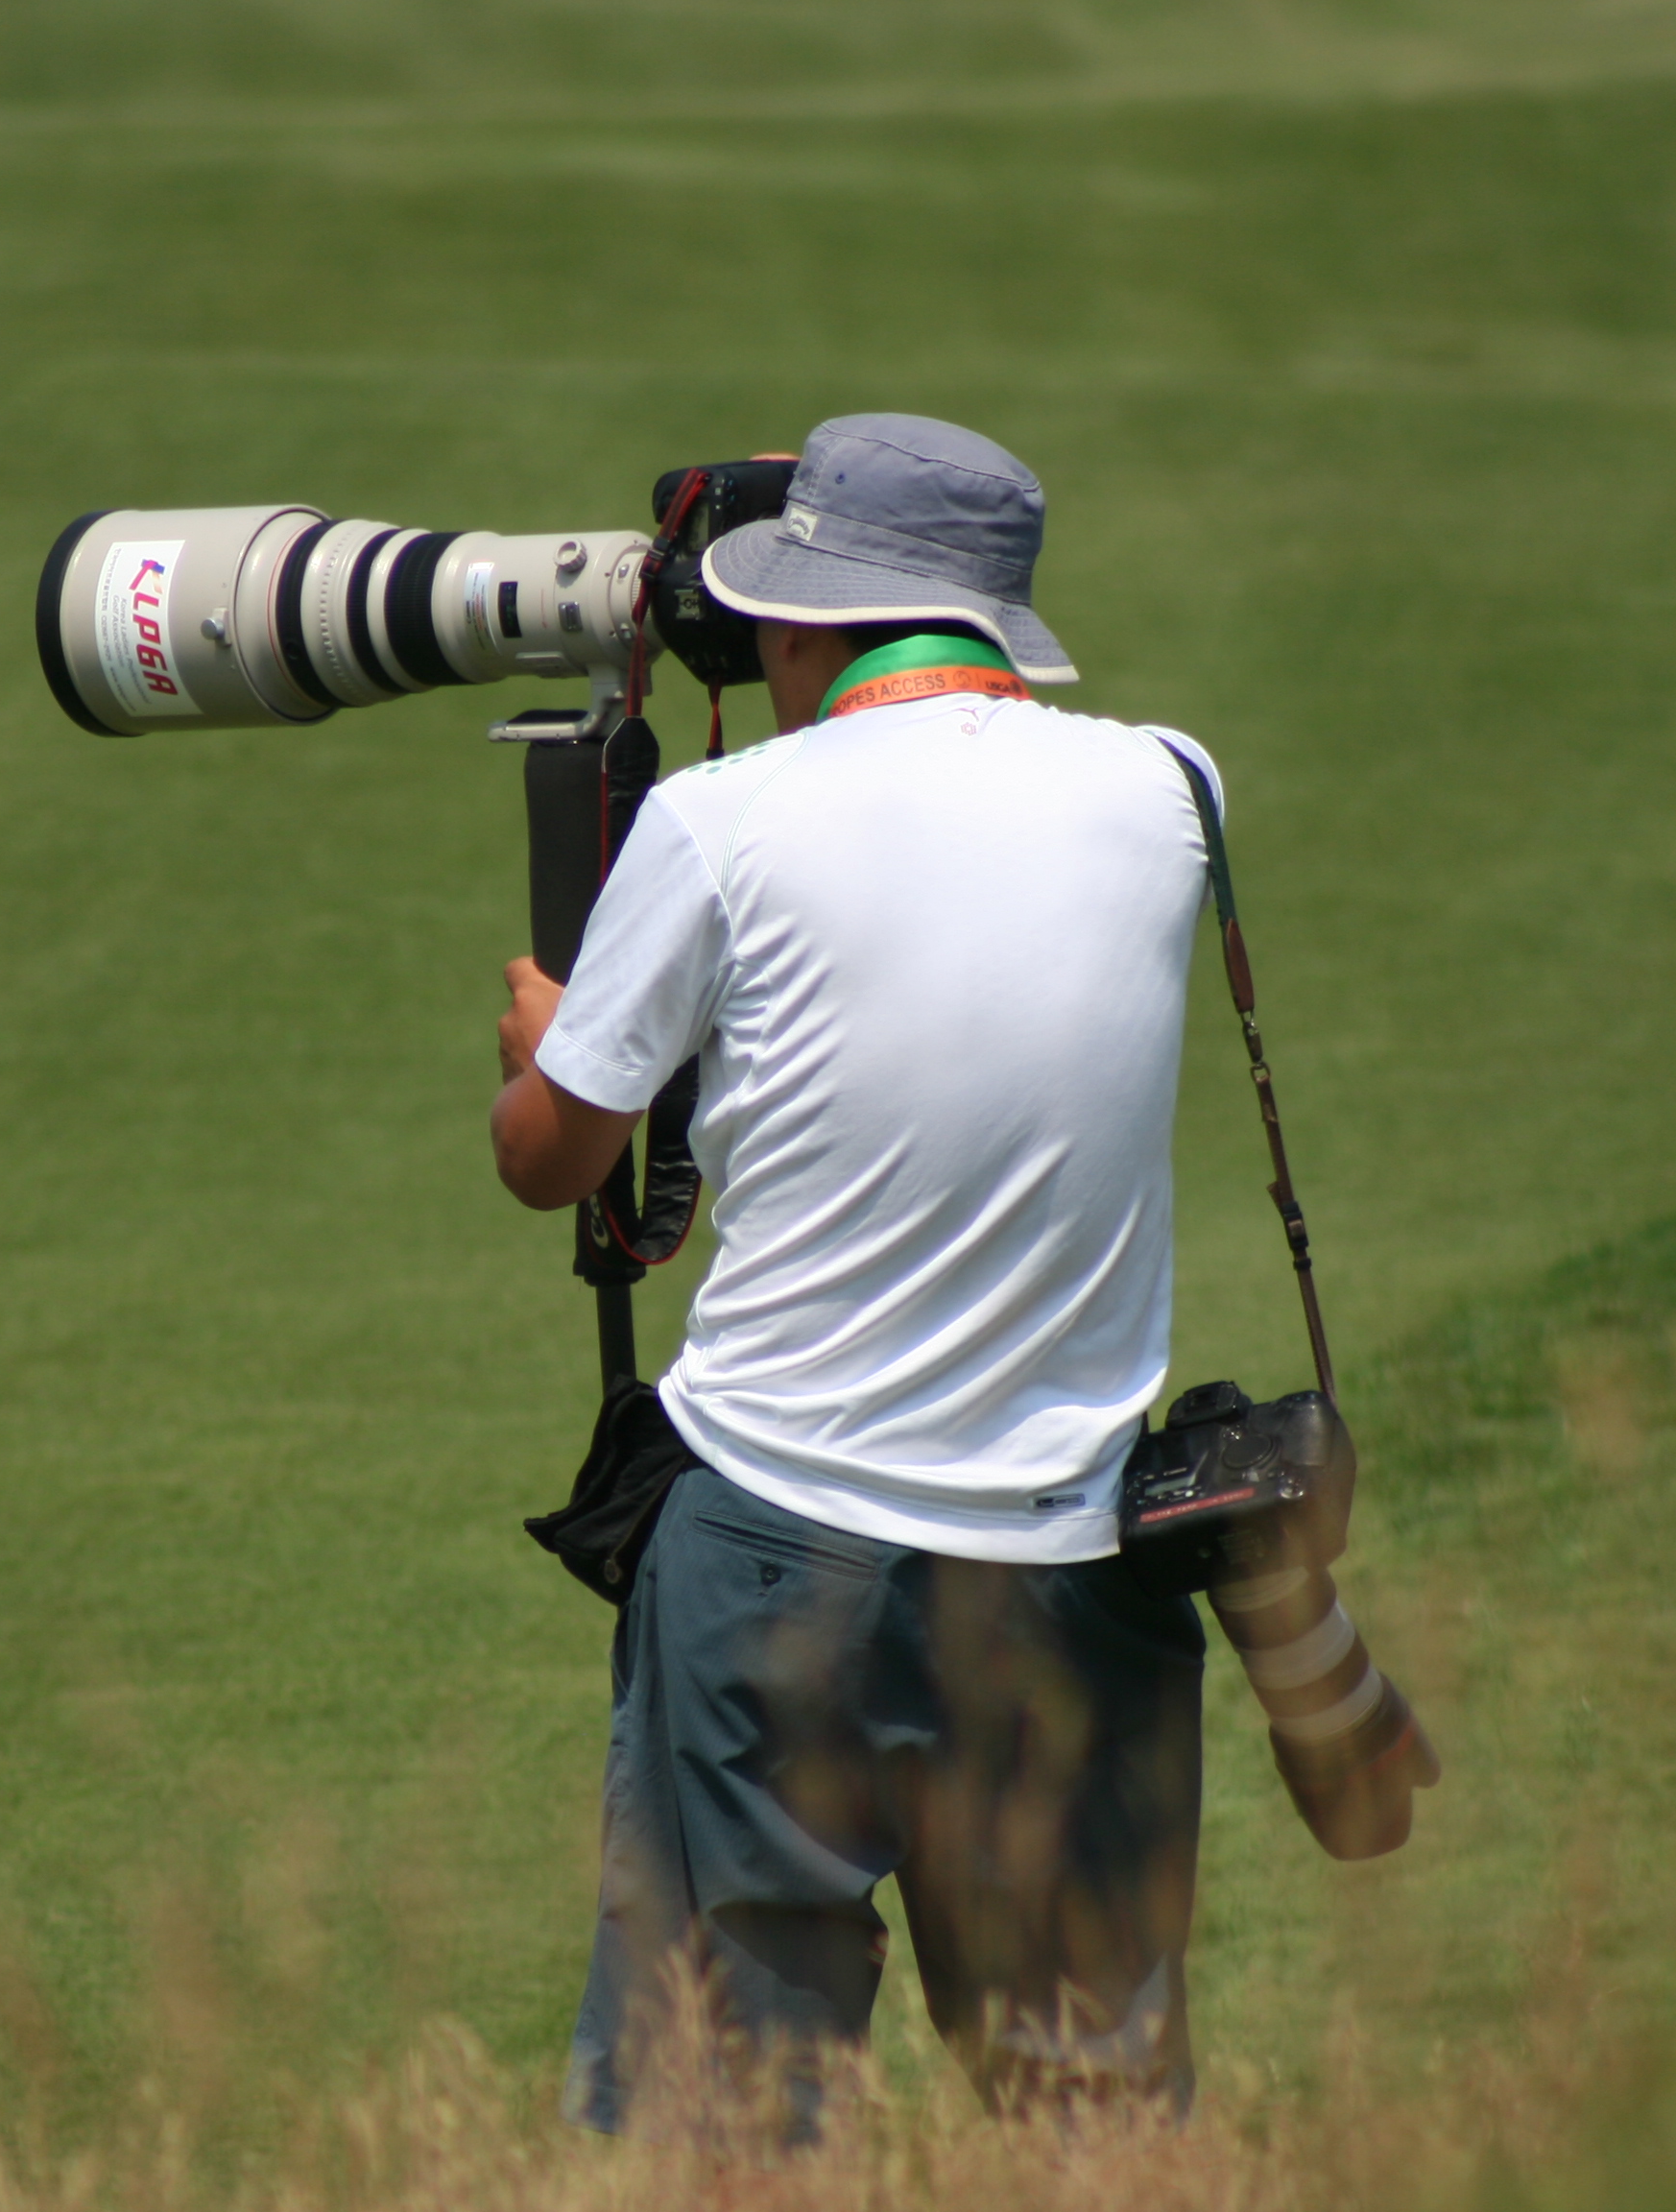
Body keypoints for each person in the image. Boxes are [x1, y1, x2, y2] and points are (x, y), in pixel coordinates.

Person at [487, 415, 1342, 2131]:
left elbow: (550, 1161)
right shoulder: (1173, 787)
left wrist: (546, 1045)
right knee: (1099, 2132)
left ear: (809, 620)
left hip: (765, 1562)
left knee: (729, 2125)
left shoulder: (718, 821)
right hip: (1069, 1577)